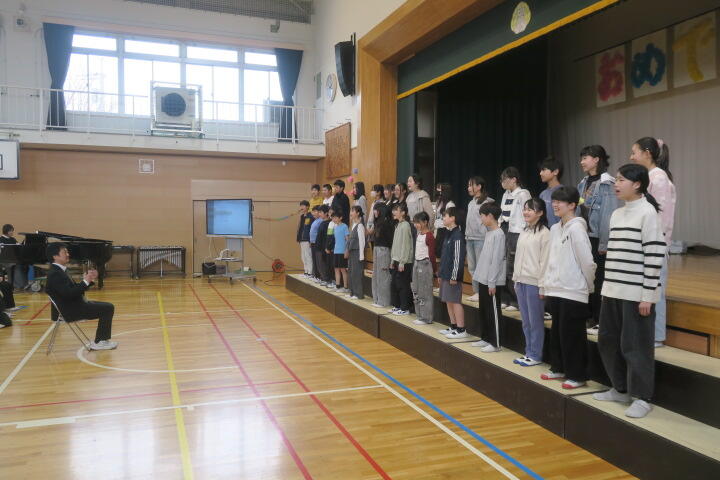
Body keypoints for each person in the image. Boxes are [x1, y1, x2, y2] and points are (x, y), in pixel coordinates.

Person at [594, 164, 666, 419]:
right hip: (613, 291)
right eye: (616, 179)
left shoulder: (648, 213)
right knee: (608, 341)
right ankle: (620, 389)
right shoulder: (617, 214)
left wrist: (648, 295)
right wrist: (606, 289)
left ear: (637, 184)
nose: (616, 184)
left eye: (622, 180)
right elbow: (613, 256)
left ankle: (642, 397)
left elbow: (655, 255)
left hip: (636, 295)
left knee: (636, 347)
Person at [541, 186, 596, 389]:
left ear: (572, 205)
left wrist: (588, 286)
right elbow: (550, 259)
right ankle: (559, 367)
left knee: (573, 335)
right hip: (556, 288)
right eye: (554, 201)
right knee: (558, 332)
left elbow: (587, 263)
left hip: (574, 290)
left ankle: (577, 375)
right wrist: (546, 284)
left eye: (560, 201)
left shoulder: (577, 228)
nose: (555, 205)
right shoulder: (556, 228)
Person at [630, 137, 676, 348]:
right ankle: (648, 333)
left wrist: (652, 242)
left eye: (634, 152)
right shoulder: (650, 177)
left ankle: (657, 336)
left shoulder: (658, 178)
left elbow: (661, 216)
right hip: (645, 243)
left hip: (654, 244)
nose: (631, 157)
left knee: (656, 289)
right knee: (647, 289)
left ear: (647, 153)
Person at [577, 145, 620, 335]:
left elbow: (607, 215)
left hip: (596, 238)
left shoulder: (607, 183)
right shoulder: (583, 182)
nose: (582, 162)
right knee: (585, 277)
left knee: (599, 279)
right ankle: (588, 315)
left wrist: (604, 243)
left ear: (596, 159)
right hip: (584, 236)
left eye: (585, 158)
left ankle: (599, 318)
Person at [45, 242, 117, 350]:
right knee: (108, 308)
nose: (68, 254)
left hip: (74, 305)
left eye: (67, 252)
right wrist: (85, 281)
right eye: (64, 252)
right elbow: (69, 294)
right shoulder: (55, 273)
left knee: (107, 306)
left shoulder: (59, 270)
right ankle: (100, 342)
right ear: (55, 256)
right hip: (71, 310)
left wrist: (88, 280)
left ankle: (101, 341)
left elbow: (73, 290)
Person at [512, 198, 550, 366]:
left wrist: (542, 286)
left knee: (535, 321)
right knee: (526, 321)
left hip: (535, 283)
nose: (526, 212)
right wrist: (516, 279)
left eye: (530, 209)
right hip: (521, 281)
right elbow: (518, 257)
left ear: (540, 213)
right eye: (525, 209)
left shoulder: (545, 233)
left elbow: (545, 262)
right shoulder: (524, 230)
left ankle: (535, 354)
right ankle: (528, 352)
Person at [471, 203, 506, 352]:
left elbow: (496, 260)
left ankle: (496, 342)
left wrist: (492, 282)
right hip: (484, 278)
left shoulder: (499, 234)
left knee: (493, 312)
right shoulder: (489, 233)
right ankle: (485, 337)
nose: (481, 220)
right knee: (484, 311)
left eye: (482, 216)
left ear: (490, 216)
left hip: (492, 281)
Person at [498, 167, 531, 311]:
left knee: (512, 267)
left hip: (517, 233)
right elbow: (502, 213)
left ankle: (515, 301)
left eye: (505, 179)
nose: (502, 182)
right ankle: (505, 298)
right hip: (504, 229)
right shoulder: (506, 194)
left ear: (514, 179)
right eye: (501, 180)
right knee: (503, 265)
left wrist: (525, 231)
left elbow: (528, 213)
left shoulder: (523, 194)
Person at [437, 207, 467, 338]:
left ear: (453, 218)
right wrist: (440, 273)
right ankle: (453, 325)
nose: (443, 218)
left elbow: (458, 258)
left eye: (445, 216)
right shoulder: (448, 233)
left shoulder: (458, 236)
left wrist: (454, 276)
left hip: (453, 276)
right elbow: (444, 256)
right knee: (448, 300)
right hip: (445, 274)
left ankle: (461, 329)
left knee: (455, 301)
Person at [465, 176, 495, 303]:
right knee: (472, 267)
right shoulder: (471, 203)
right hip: (470, 238)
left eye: (471, 185)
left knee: (481, 267)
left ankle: (483, 292)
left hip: (481, 239)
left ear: (479, 187)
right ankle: (477, 291)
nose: (468, 188)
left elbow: (489, 222)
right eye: (468, 185)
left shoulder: (486, 203)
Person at [411, 212, 437, 325]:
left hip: (425, 264)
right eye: (415, 222)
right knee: (416, 290)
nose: (416, 225)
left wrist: (434, 270)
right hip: (417, 263)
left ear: (425, 222)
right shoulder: (419, 234)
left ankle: (426, 317)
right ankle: (420, 315)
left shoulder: (429, 236)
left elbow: (432, 255)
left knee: (425, 292)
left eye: (418, 222)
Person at [389, 203, 413, 316]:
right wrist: (392, 260)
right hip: (396, 260)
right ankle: (397, 306)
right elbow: (395, 244)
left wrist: (402, 262)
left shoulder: (406, 225)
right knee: (394, 285)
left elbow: (406, 245)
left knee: (403, 285)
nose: (394, 212)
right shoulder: (398, 225)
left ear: (403, 213)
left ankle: (405, 308)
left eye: (397, 210)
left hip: (404, 261)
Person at [370, 203, 394, 308]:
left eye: (376, 209)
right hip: (377, 249)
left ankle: (383, 301)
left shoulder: (387, 223)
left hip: (384, 250)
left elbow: (390, 241)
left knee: (383, 276)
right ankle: (376, 299)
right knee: (376, 275)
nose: (374, 211)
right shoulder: (377, 222)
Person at [346, 206, 366, 300]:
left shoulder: (360, 226)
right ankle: (352, 292)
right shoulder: (353, 224)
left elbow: (362, 241)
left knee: (356, 273)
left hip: (357, 252)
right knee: (351, 272)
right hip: (352, 252)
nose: (351, 212)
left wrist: (361, 255)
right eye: (351, 210)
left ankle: (358, 294)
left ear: (358, 213)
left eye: (353, 211)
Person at [0, 224, 28, 290]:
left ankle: (24, 284)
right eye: (11, 231)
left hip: (12, 260)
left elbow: (19, 247)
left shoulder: (13, 239)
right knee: (14, 266)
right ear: (8, 231)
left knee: (24, 265)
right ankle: (16, 285)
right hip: (4, 261)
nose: (12, 232)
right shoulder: (0, 240)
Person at [539, 157, 563, 228]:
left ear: (555, 172)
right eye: (540, 170)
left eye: (544, 170)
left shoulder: (564, 192)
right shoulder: (543, 194)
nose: (540, 173)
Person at [433, 183, 455, 258]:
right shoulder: (440, 203)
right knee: (438, 253)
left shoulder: (450, 204)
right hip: (438, 230)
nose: (439, 194)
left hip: (445, 231)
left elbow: (450, 221)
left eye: (440, 191)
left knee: (443, 254)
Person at [331, 210, 350, 293]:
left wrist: (346, 250)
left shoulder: (344, 226)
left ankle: (345, 287)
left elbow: (347, 240)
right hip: (336, 251)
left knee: (343, 269)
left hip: (342, 251)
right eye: (333, 218)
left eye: (335, 218)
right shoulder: (335, 227)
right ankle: (338, 286)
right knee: (336, 269)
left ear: (340, 218)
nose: (334, 219)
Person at [311, 205, 329, 284]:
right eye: (319, 212)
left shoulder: (327, 223)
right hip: (318, 245)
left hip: (322, 247)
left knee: (322, 263)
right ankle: (321, 277)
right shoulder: (322, 222)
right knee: (318, 263)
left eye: (321, 212)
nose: (319, 214)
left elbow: (326, 237)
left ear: (326, 213)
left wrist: (325, 247)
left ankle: (325, 278)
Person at [296, 200, 313, 277]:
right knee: (303, 256)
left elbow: (311, 229)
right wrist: (298, 238)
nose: (302, 207)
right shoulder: (302, 216)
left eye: (303, 205)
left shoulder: (311, 216)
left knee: (308, 255)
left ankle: (310, 272)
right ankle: (306, 271)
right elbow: (300, 228)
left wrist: (310, 240)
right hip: (301, 239)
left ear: (308, 207)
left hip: (307, 239)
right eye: (301, 206)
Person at [323, 208, 337, 288]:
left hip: (334, 248)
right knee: (328, 264)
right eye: (329, 212)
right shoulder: (330, 223)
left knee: (333, 265)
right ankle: (329, 280)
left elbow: (333, 237)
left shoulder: (336, 224)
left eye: (332, 212)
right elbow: (328, 236)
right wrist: (326, 247)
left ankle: (334, 281)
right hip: (329, 247)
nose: (330, 214)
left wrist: (330, 247)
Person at [309, 206, 323, 281]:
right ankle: (315, 275)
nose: (313, 213)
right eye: (312, 211)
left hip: (317, 243)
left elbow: (319, 233)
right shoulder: (315, 220)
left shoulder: (321, 221)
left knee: (318, 260)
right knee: (314, 259)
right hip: (313, 242)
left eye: (315, 211)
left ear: (319, 212)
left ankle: (320, 276)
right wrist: (310, 241)